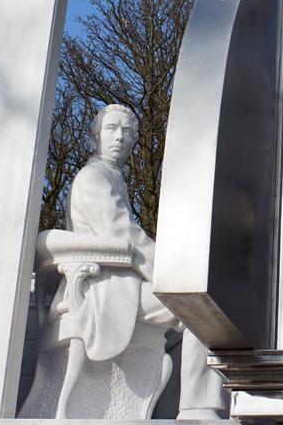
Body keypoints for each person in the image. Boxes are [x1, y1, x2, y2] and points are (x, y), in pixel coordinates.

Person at [51, 104, 225, 417]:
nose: (120, 136)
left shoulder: (111, 177)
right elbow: (127, 238)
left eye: (128, 132)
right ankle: (197, 408)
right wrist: (176, 274)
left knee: (195, 311)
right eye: (111, 129)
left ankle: (180, 407)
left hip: (119, 282)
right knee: (199, 310)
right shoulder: (94, 178)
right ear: (94, 139)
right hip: (103, 288)